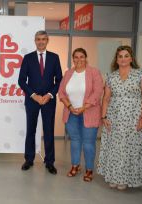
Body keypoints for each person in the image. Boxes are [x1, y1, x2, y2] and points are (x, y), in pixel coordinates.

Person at [98, 45, 142, 190]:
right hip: (114, 118)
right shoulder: (111, 76)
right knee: (115, 149)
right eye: (120, 56)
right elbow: (106, 98)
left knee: (129, 149)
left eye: (126, 56)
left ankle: (125, 179)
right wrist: (104, 117)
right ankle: (114, 176)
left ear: (131, 58)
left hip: (133, 118)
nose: (123, 59)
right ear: (116, 59)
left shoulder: (141, 74)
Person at [18, 30, 62, 174]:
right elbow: (21, 80)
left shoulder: (54, 58)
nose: (41, 41)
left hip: (49, 101)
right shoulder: (28, 58)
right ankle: (29, 159)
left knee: (49, 131)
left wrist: (49, 95)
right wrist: (33, 95)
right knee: (31, 130)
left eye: (43, 39)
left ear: (47, 40)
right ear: (35, 41)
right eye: (38, 39)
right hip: (32, 100)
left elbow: (59, 80)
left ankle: (49, 162)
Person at [58, 48, 104, 182]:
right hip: (71, 113)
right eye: (76, 57)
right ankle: (75, 166)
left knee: (89, 143)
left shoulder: (94, 72)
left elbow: (98, 92)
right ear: (73, 59)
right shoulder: (68, 73)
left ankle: (89, 169)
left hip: (89, 113)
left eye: (82, 57)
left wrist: (84, 107)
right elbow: (61, 92)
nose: (79, 59)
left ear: (86, 58)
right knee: (75, 141)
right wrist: (70, 106)